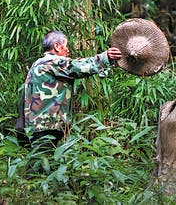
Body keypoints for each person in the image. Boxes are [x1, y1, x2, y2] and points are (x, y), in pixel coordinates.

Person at [17, 30, 122, 161]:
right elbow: (75, 67)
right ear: (57, 46)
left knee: (46, 164)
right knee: (40, 165)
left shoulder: (39, 63)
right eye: (66, 46)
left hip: (40, 124)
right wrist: (105, 57)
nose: (68, 51)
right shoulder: (50, 62)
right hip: (45, 125)